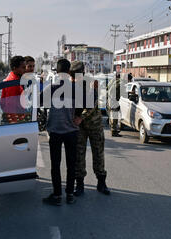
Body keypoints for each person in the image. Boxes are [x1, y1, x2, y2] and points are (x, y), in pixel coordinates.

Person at [42, 59, 82, 206]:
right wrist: (79, 117)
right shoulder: (76, 89)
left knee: (55, 164)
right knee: (71, 164)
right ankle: (70, 194)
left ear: (57, 72)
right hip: (72, 131)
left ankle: (57, 195)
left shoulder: (51, 88)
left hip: (55, 131)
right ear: (69, 71)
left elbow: (39, 102)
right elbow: (87, 103)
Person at [70, 61, 110, 197]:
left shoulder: (91, 83)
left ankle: (101, 183)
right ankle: (79, 184)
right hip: (79, 127)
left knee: (98, 153)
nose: (75, 78)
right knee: (79, 155)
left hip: (94, 124)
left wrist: (81, 116)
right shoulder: (71, 85)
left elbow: (91, 103)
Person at [0, 56, 27, 124]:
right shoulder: (13, 83)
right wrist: (14, 125)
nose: (25, 70)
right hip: (13, 122)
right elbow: (10, 107)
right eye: (23, 67)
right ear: (15, 68)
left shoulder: (16, 80)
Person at [107, 73, 122, 137]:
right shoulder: (117, 83)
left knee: (112, 115)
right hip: (113, 100)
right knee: (114, 116)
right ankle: (114, 132)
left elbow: (107, 88)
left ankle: (113, 130)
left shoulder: (111, 81)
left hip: (110, 100)